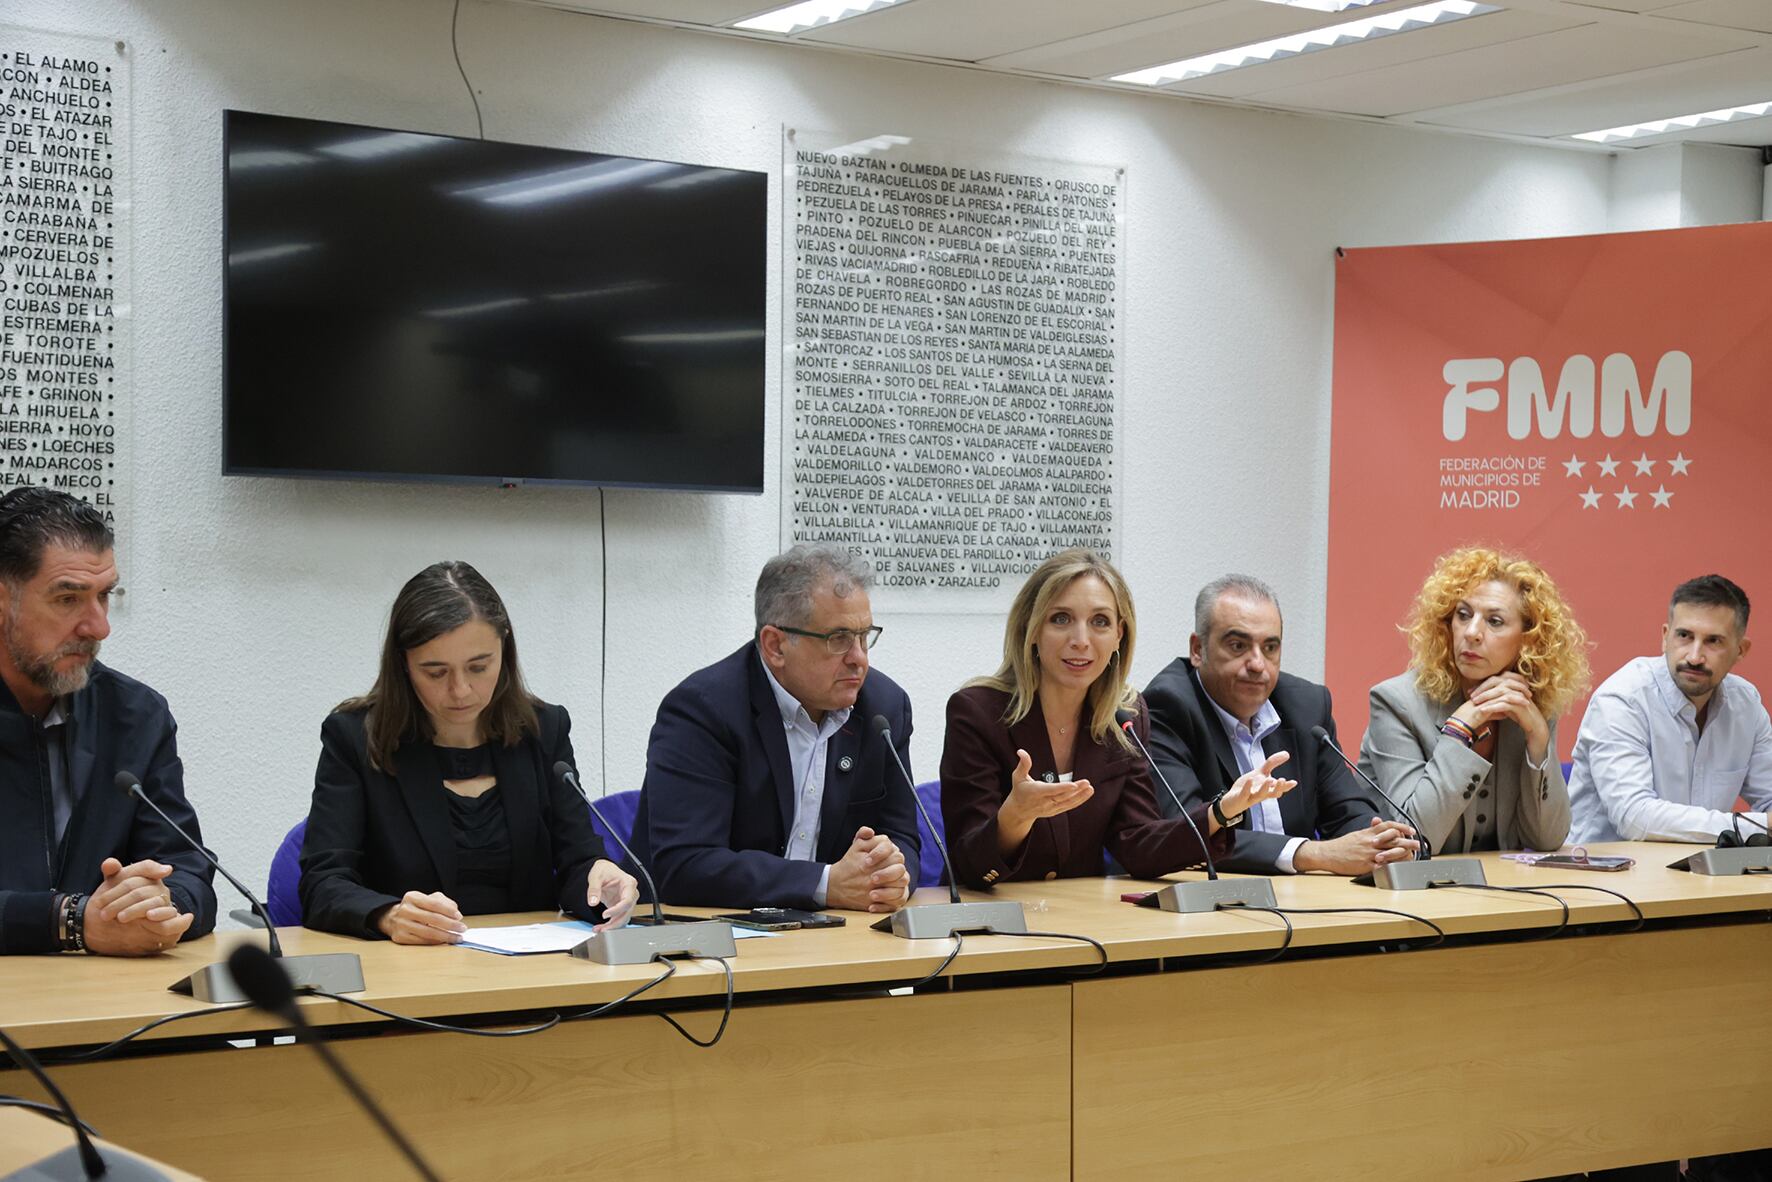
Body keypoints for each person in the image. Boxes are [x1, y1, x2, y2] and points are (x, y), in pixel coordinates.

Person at [300, 561, 637, 941]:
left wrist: (602, 884)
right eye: (436, 672)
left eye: (478, 667)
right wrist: (387, 916)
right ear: (403, 664)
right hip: (410, 965)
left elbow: (578, 863)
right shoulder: (355, 738)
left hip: (535, 964)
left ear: (504, 650)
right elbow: (322, 884)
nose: (460, 690)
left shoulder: (543, 730)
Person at [940, 550, 1291, 887]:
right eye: (1061, 619)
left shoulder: (1124, 719)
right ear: (1031, 628)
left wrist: (1222, 810)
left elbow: (1139, 846)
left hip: (1083, 916)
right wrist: (1015, 817)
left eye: (1100, 622)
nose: (1081, 641)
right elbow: (969, 865)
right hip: (992, 917)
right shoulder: (978, 712)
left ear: (1119, 635)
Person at [630, 544, 919, 912]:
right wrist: (824, 884)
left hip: (835, 931)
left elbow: (904, 838)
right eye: (839, 639)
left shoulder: (884, 709)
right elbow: (685, 864)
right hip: (708, 930)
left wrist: (891, 877)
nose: (859, 658)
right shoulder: (703, 710)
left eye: (865, 636)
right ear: (775, 646)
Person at [0, 488, 216, 956]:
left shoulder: (135, 715)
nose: (99, 627)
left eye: (104, 595)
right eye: (67, 599)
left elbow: (187, 867)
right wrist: (68, 920)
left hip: (102, 990)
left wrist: (157, 904)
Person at [1144, 575, 1418, 875]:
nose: (1257, 664)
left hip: (1299, 895)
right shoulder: (1167, 706)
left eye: (1270, 648)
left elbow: (1347, 812)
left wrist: (1382, 844)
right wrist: (1312, 854)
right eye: (1238, 645)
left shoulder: (1307, 706)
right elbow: (1186, 832)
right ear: (1198, 650)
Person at [1359, 546, 1589, 855]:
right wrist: (1460, 728)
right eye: (1463, 615)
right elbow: (1416, 837)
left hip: (1501, 884)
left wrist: (1538, 738)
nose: (1472, 632)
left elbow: (1547, 840)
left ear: (1529, 639)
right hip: (1412, 883)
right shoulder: (1397, 703)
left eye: (1495, 621)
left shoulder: (1530, 705)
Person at [1569, 574, 1771, 844]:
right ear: (1665, 637)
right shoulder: (1623, 699)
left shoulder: (1746, 706)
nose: (1694, 657)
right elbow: (1634, 818)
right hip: (1604, 868)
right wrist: (1756, 826)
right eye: (1684, 636)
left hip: (1700, 868)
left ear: (1741, 650)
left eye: (1713, 641)